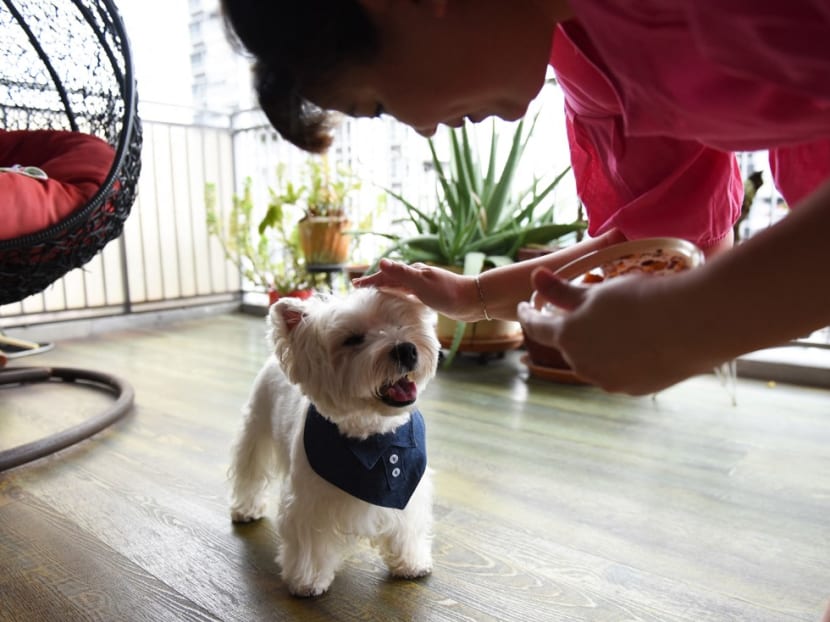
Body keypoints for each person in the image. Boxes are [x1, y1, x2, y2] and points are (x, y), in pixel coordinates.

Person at [219, 0, 830, 399]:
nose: (422, 126)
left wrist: (691, 326)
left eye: (375, 103)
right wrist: (467, 296)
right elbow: (675, 243)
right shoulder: (576, 60)